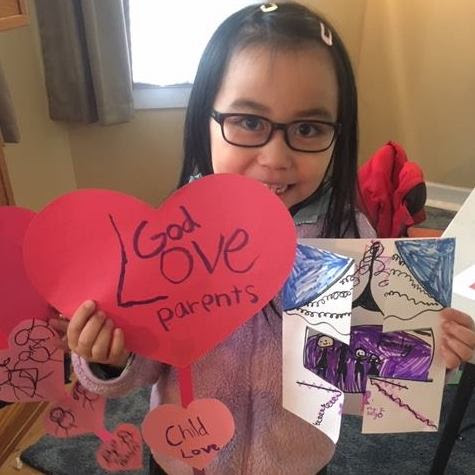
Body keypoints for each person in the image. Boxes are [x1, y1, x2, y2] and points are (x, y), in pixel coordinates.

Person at [49, 2, 475, 474]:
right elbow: (145, 366)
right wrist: (110, 358)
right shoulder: (171, 242)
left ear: (339, 134)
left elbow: (363, 371)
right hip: (186, 456)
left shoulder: (349, 237)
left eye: (308, 128)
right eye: (250, 122)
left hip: (297, 462)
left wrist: (428, 348)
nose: (275, 158)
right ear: (206, 119)